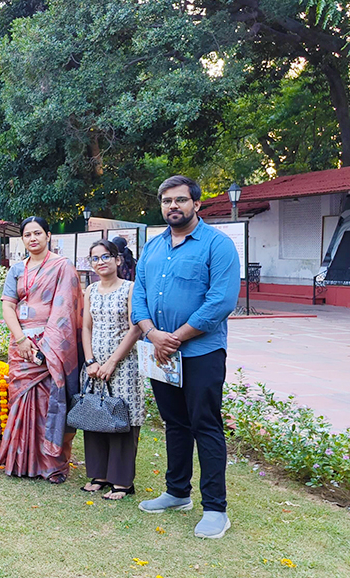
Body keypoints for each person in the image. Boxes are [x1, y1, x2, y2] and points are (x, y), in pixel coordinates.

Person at [132, 175, 240, 539]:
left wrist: (174, 338)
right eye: (166, 201)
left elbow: (221, 303)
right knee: (174, 423)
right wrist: (152, 334)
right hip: (159, 353)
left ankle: (215, 508)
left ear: (196, 203)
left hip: (201, 352)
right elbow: (140, 296)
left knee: (204, 425)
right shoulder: (153, 246)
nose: (172, 207)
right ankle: (177, 492)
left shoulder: (217, 245)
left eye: (180, 200)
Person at [0, 216, 83, 483]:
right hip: (21, 345)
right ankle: (22, 461)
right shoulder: (16, 270)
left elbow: (66, 309)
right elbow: (8, 306)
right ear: (22, 239)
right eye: (27, 235)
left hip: (52, 344)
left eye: (37, 233)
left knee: (50, 403)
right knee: (22, 400)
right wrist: (21, 339)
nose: (32, 239)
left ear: (48, 236)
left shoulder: (62, 267)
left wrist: (47, 346)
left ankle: (50, 464)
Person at [79, 239, 143, 500]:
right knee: (95, 415)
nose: (101, 261)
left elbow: (135, 328)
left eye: (106, 256)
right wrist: (90, 361)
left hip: (123, 364)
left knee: (121, 418)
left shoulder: (130, 289)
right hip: (94, 366)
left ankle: (122, 482)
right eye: (95, 258)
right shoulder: (91, 290)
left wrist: (112, 362)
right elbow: (86, 328)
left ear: (118, 260)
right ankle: (99, 475)